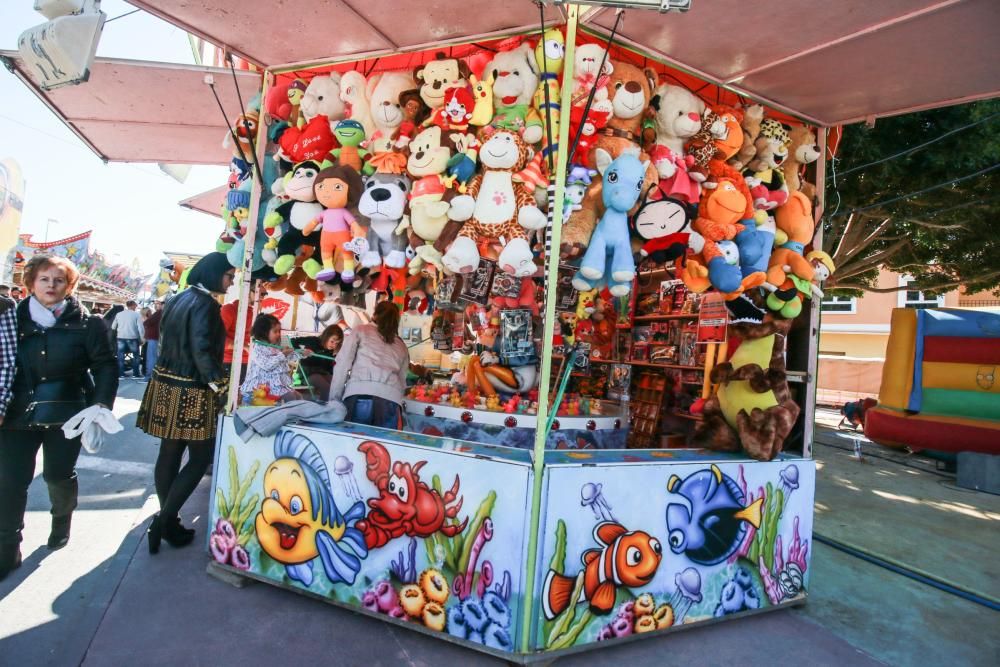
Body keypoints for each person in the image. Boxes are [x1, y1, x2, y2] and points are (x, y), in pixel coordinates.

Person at [0, 255, 118, 581]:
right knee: (10, 484)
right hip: (15, 414)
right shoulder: (11, 320)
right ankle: (7, 550)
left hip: (68, 415)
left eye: (59, 280)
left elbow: (106, 365)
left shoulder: (87, 323)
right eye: (44, 279)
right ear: (30, 283)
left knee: (57, 475)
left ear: (69, 286)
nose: (51, 286)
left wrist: (99, 406)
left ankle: (62, 519)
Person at [136, 252, 233, 555]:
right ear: (215, 273)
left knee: (169, 453)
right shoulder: (205, 305)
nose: (231, 281)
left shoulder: (178, 299)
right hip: (192, 389)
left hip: (165, 384)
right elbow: (202, 350)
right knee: (200, 458)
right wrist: (222, 386)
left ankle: (170, 522)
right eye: (229, 275)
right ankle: (163, 521)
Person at [329, 301, 409, 429]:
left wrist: (334, 400)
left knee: (355, 444)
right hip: (390, 401)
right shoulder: (401, 344)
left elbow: (342, 365)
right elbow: (402, 380)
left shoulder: (361, 330)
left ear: (375, 315)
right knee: (382, 446)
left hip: (360, 394)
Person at [240, 313, 300, 403]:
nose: (278, 334)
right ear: (264, 332)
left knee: (297, 396)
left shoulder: (274, 346)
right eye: (275, 332)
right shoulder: (257, 348)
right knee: (291, 397)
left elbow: (287, 357)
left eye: (279, 331)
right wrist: (282, 354)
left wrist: (302, 353)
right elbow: (267, 365)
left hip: (274, 385)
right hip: (262, 388)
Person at [291, 324, 344, 401]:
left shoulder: (330, 351)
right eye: (332, 341)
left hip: (322, 374)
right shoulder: (313, 340)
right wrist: (302, 352)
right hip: (307, 374)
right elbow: (293, 340)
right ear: (326, 336)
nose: (334, 345)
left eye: (336, 343)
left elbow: (329, 369)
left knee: (337, 384)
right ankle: (325, 408)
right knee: (326, 387)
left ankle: (335, 405)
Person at [112, 300, 144, 379]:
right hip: (133, 338)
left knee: (120, 356)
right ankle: (135, 374)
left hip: (120, 338)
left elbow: (113, 327)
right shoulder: (136, 315)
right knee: (136, 356)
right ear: (132, 305)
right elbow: (141, 328)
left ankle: (121, 374)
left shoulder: (119, 314)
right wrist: (142, 338)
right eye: (135, 305)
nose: (136, 307)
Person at [142, 299, 163, 379]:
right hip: (158, 337)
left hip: (153, 337)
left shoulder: (158, 313)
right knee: (155, 357)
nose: (156, 305)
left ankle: (149, 376)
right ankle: (154, 375)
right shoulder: (163, 313)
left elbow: (146, 323)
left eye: (158, 303)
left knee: (151, 357)